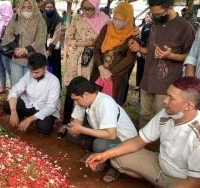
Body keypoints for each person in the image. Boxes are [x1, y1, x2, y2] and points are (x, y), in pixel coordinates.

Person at [86, 76, 200, 187]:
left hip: (183, 180)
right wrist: (104, 155)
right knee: (115, 157)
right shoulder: (167, 113)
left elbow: (195, 182)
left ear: (188, 106)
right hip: (160, 166)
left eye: (171, 98)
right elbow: (138, 141)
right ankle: (157, 180)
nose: (165, 101)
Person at [128, 0, 195, 128]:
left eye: (158, 14)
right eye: (153, 14)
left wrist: (171, 56)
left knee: (162, 117)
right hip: (147, 78)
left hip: (166, 83)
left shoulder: (185, 28)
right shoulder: (155, 25)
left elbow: (192, 57)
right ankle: (142, 141)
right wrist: (139, 48)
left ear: (169, 7)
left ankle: (159, 145)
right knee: (144, 114)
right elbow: (151, 51)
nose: (155, 17)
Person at [66, 76, 137, 182]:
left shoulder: (105, 102)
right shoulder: (84, 101)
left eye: (76, 100)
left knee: (99, 145)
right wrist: (75, 127)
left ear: (86, 95)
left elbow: (111, 134)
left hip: (123, 138)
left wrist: (81, 129)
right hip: (103, 133)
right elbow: (77, 121)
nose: (75, 103)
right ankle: (96, 154)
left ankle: (115, 167)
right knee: (72, 134)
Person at [62, 0, 109, 128]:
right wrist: (83, 43)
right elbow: (68, 39)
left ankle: (84, 123)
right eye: (84, 8)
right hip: (75, 60)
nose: (87, 11)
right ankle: (66, 121)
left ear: (96, 7)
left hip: (94, 61)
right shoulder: (77, 18)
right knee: (72, 88)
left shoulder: (105, 20)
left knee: (87, 91)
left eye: (91, 9)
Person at [90, 2, 136, 106]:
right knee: (94, 102)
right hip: (99, 72)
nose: (116, 22)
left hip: (116, 77)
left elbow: (129, 59)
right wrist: (101, 68)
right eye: (115, 18)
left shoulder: (132, 35)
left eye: (120, 20)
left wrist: (109, 73)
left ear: (128, 19)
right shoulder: (106, 29)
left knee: (112, 105)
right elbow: (97, 48)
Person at [3, 52, 60, 135]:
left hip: (44, 109)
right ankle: (21, 117)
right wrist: (13, 111)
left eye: (37, 72)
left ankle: (34, 120)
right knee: (7, 106)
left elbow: (51, 107)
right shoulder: (28, 75)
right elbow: (14, 91)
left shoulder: (54, 81)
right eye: (31, 71)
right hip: (29, 105)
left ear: (45, 68)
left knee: (44, 128)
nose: (33, 75)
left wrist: (29, 120)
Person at [1, 0, 46, 86]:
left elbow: (41, 39)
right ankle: (17, 100)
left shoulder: (40, 20)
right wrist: (17, 49)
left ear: (34, 7)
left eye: (29, 8)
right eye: (23, 7)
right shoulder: (15, 18)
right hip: (17, 58)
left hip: (33, 59)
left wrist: (26, 50)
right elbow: (8, 34)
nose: (26, 10)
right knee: (17, 85)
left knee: (31, 85)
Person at [42, 0, 62, 86]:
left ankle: (55, 86)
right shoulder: (41, 18)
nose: (49, 9)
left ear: (54, 8)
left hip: (54, 48)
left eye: (51, 7)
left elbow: (57, 35)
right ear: (45, 8)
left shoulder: (58, 19)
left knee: (54, 67)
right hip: (42, 47)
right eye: (47, 7)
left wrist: (49, 49)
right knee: (44, 66)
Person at [0, 1, 13, 94]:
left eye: (2, 7)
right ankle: (3, 87)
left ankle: (13, 87)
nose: (0, 9)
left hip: (6, 50)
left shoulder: (11, 22)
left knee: (9, 69)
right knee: (1, 69)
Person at [135, 12, 152, 92]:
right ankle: (138, 85)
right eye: (146, 17)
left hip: (149, 53)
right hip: (141, 50)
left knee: (146, 70)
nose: (148, 18)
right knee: (140, 69)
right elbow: (140, 39)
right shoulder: (143, 26)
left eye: (149, 17)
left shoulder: (154, 27)